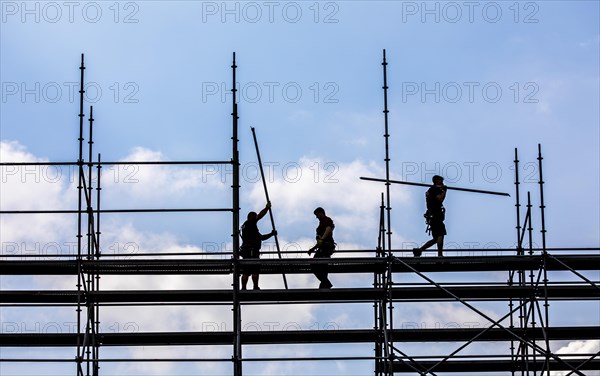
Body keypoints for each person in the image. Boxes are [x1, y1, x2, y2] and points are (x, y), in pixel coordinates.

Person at [239, 201, 276, 290]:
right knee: (254, 269)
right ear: (251, 217)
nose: (256, 218)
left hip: (246, 251)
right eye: (254, 217)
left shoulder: (248, 227)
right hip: (252, 250)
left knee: (246, 270)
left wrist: (271, 234)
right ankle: (255, 286)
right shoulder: (249, 223)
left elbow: (261, 237)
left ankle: (244, 287)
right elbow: (260, 215)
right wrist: (267, 208)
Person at [414, 175, 447, 257]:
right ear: (436, 181)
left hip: (432, 216)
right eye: (441, 181)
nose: (442, 183)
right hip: (435, 215)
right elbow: (439, 198)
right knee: (441, 234)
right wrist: (444, 191)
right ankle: (440, 255)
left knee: (436, 238)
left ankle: (419, 250)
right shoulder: (434, 189)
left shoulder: (431, 190)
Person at [308, 207, 335, 289]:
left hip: (326, 246)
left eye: (317, 215)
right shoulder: (321, 224)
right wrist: (313, 248)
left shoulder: (326, 220)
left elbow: (328, 230)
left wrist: (322, 240)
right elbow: (320, 241)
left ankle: (325, 282)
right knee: (320, 265)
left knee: (319, 264)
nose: (316, 217)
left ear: (321, 213)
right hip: (323, 246)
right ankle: (325, 282)